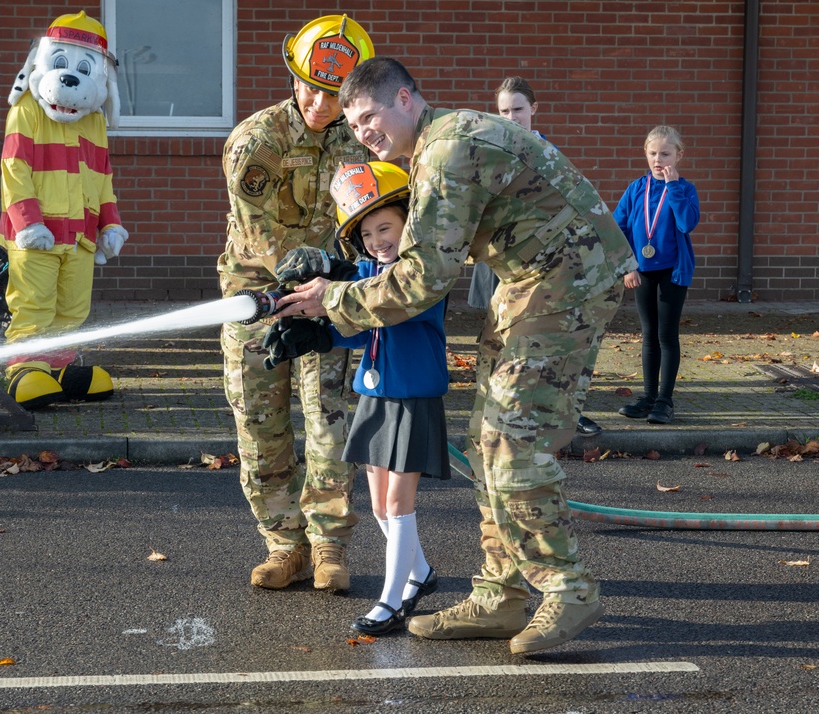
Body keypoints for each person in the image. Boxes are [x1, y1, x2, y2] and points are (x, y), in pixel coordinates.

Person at [267, 57, 638, 655]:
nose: (363, 132)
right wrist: (340, 281)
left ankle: (566, 588)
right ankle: (501, 595)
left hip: (568, 280)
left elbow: (421, 278)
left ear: (407, 100)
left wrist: (331, 300)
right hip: (528, 282)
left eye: (370, 116)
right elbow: (409, 257)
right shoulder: (429, 151)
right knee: (487, 433)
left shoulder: (444, 152)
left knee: (515, 434)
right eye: (354, 125)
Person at [216, 15, 375, 594]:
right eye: (310, 86)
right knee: (262, 429)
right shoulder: (256, 142)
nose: (319, 102)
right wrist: (303, 287)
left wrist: (337, 291)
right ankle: (285, 546)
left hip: (325, 307)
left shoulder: (361, 141)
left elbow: (370, 224)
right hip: (256, 304)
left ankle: (329, 546)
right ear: (293, 75)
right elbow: (261, 240)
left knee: (330, 425)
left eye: (334, 94)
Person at [268, 161, 448, 634]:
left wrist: (342, 286)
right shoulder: (371, 271)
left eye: (385, 226)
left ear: (409, 222)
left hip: (411, 399)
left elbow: (391, 314)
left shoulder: (422, 273)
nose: (376, 240)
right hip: (374, 396)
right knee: (378, 504)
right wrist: (319, 337)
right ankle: (421, 575)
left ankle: (392, 602)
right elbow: (365, 329)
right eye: (366, 233)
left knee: (399, 504)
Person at [0, 12, 127, 409]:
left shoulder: (95, 123)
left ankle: (60, 367)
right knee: (33, 304)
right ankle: (22, 368)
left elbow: (103, 177)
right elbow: (13, 169)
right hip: (37, 234)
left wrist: (111, 224)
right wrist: (27, 223)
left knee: (71, 308)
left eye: (85, 68)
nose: (71, 78)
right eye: (62, 64)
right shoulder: (27, 110)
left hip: (82, 236)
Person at [473, 76, 604, 439]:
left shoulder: (550, 156)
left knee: (553, 342)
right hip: (503, 264)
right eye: (503, 111)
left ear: (534, 109)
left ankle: (563, 414)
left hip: (546, 267)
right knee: (500, 341)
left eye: (517, 109)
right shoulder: (487, 154)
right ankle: (500, 414)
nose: (511, 117)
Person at [613, 126, 700, 425]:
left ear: (679, 155)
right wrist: (627, 265)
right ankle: (648, 397)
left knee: (666, 335)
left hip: (673, 272)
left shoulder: (685, 189)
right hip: (642, 271)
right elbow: (618, 228)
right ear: (645, 154)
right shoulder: (636, 188)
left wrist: (673, 187)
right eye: (653, 153)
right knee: (648, 335)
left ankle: (665, 401)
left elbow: (687, 224)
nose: (658, 159)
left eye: (665, 153)